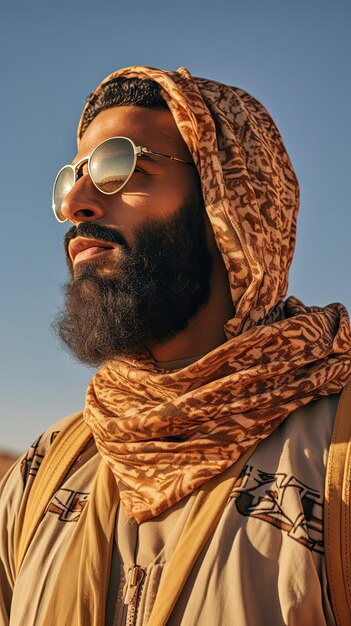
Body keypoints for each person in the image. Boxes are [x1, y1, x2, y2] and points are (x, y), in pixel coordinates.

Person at [1, 65, 351, 626]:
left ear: (230, 203)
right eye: (71, 179)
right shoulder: (45, 472)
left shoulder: (337, 456)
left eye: (119, 165)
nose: (76, 205)